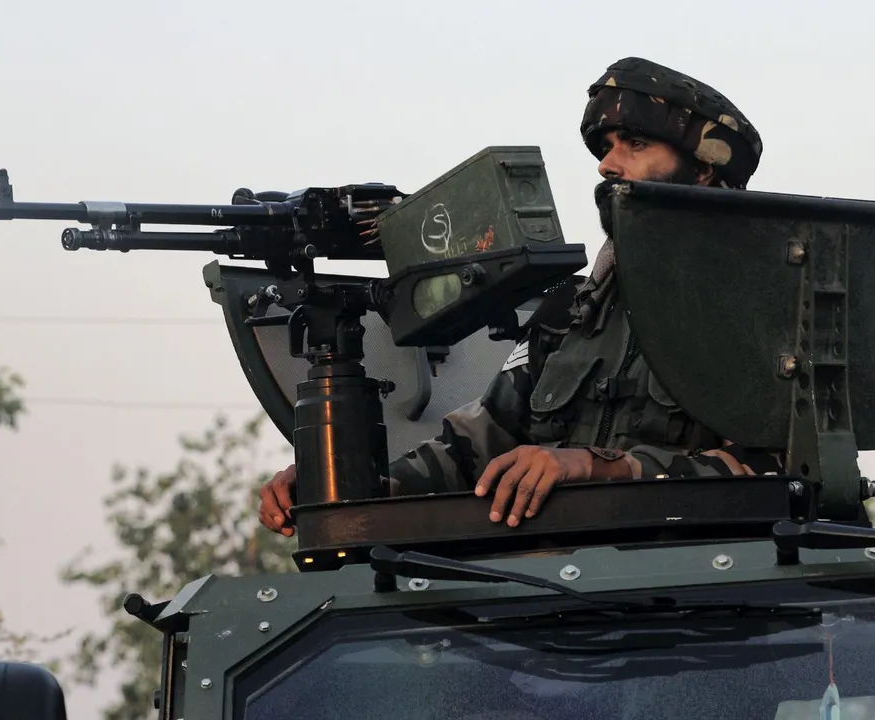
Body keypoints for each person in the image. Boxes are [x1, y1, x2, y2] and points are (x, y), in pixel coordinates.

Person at [258, 56, 783, 537]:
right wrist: (353, 487)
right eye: (606, 149)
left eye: (636, 145)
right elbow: (476, 446)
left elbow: (782, 473)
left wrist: (599, 467)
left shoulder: (767, 310)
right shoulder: (572, 313)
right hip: (550, 594)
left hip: (710, 594)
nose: (607, 165)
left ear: (705, 168)